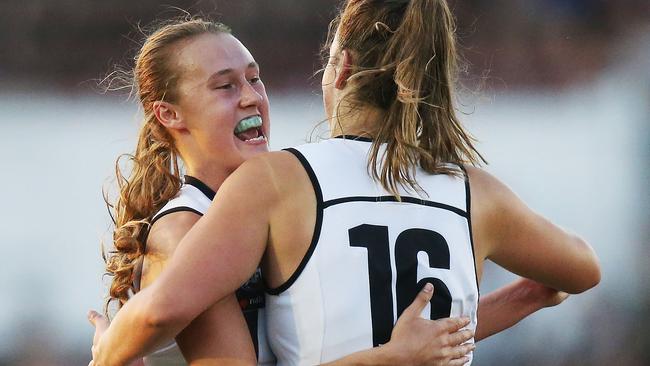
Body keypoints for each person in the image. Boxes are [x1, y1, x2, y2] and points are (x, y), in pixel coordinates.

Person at [92, 1, 600, 363]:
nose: (250, 96)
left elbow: (401, 335)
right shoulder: (202, 218)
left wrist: (522, 298)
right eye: (225, 85)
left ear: (342, 70)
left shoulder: (282, 186)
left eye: (254, 78)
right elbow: (582, 268)